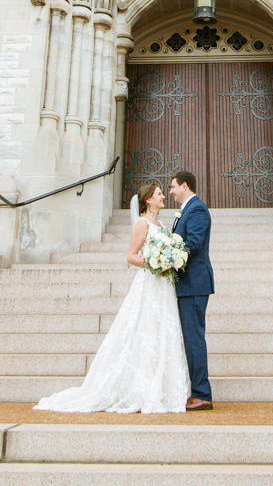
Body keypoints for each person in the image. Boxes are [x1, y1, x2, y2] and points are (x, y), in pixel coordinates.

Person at [33, 182, 190, 413]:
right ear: (148, 200)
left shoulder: (162, 224)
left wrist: (168, 261)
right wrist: (153, 263)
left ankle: (162, 388)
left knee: (162, 331)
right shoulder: (142, 224)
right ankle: (140, 388)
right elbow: (131, 256)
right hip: (149, 283)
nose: (163, 196)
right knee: (145, 330)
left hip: (164, 287)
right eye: (159, 194)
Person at [169, 171, 214, 410]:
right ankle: (197, 390)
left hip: (194, 283)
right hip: (187, 284)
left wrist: (168, 257)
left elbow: (194, 243)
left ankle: (202, 393)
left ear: (185, 186)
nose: (171, 191)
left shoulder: (197, 210)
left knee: (194, 337)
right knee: (190, 337)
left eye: (173, 187)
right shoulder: (186, 210)